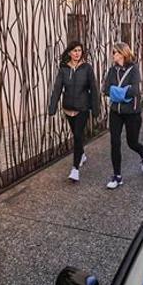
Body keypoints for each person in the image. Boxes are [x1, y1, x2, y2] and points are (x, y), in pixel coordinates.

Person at [48, 41, 100, 182]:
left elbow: (94, 89)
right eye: (74, 50)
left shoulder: (87, 68)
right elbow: (57, 88)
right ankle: (81, 154)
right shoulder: (64, 69)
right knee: (76, 136)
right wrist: (52, 107)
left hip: (82, 108)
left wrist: (95, 109)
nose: (77, 53)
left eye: (79, 50)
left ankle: (75, 169)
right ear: (69, 52)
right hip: (68, 108)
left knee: (77, 135)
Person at [102, 42, 143, 190]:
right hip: (116, 112)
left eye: (115, 52)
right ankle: (117, 176)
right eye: (113, 52)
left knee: (132, 142)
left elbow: (134, 90)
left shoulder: (134, 70)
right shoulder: (112, 70)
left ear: (123, 53)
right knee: (114, 142)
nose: (113, 55)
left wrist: (116, 92)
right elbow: (106, 89)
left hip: (132, 113)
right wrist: (121, 92)